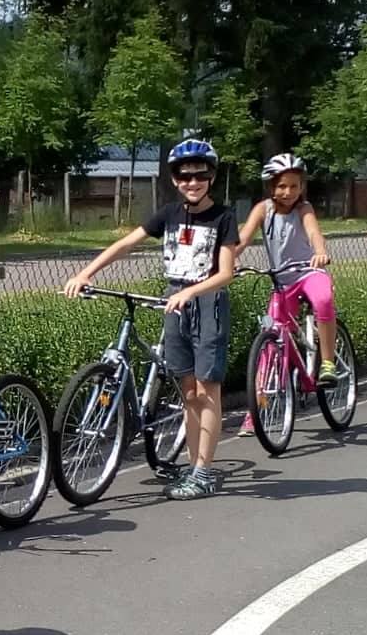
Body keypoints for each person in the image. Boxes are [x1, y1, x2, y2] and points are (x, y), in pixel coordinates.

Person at [63, 137, 239, 501]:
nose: (193, 182)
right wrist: (86, 273)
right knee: (188, 390)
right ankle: (193, 466)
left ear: (211, 177)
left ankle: (204, 471)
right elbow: (126, 243)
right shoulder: (168, 214)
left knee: (207, 390)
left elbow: (226, 274)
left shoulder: (223, 217)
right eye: (185, 176)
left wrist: (191, 292)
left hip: (207, 304)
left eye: (200, 175)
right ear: (175, 179)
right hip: (174, 303)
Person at [236, 153, 338, 386]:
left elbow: (313, 233)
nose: (288, 192)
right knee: (274, 330)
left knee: (323, 299)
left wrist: (320, 252)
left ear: (302, 187)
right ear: (271, 187)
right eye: (282, 186)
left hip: (309, 271)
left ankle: (328, 362)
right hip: (282, 281)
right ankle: (263, 395)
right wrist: (230, 258)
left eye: (294, 186)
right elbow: (242, 240)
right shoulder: (263, 210)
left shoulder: (304, 208)